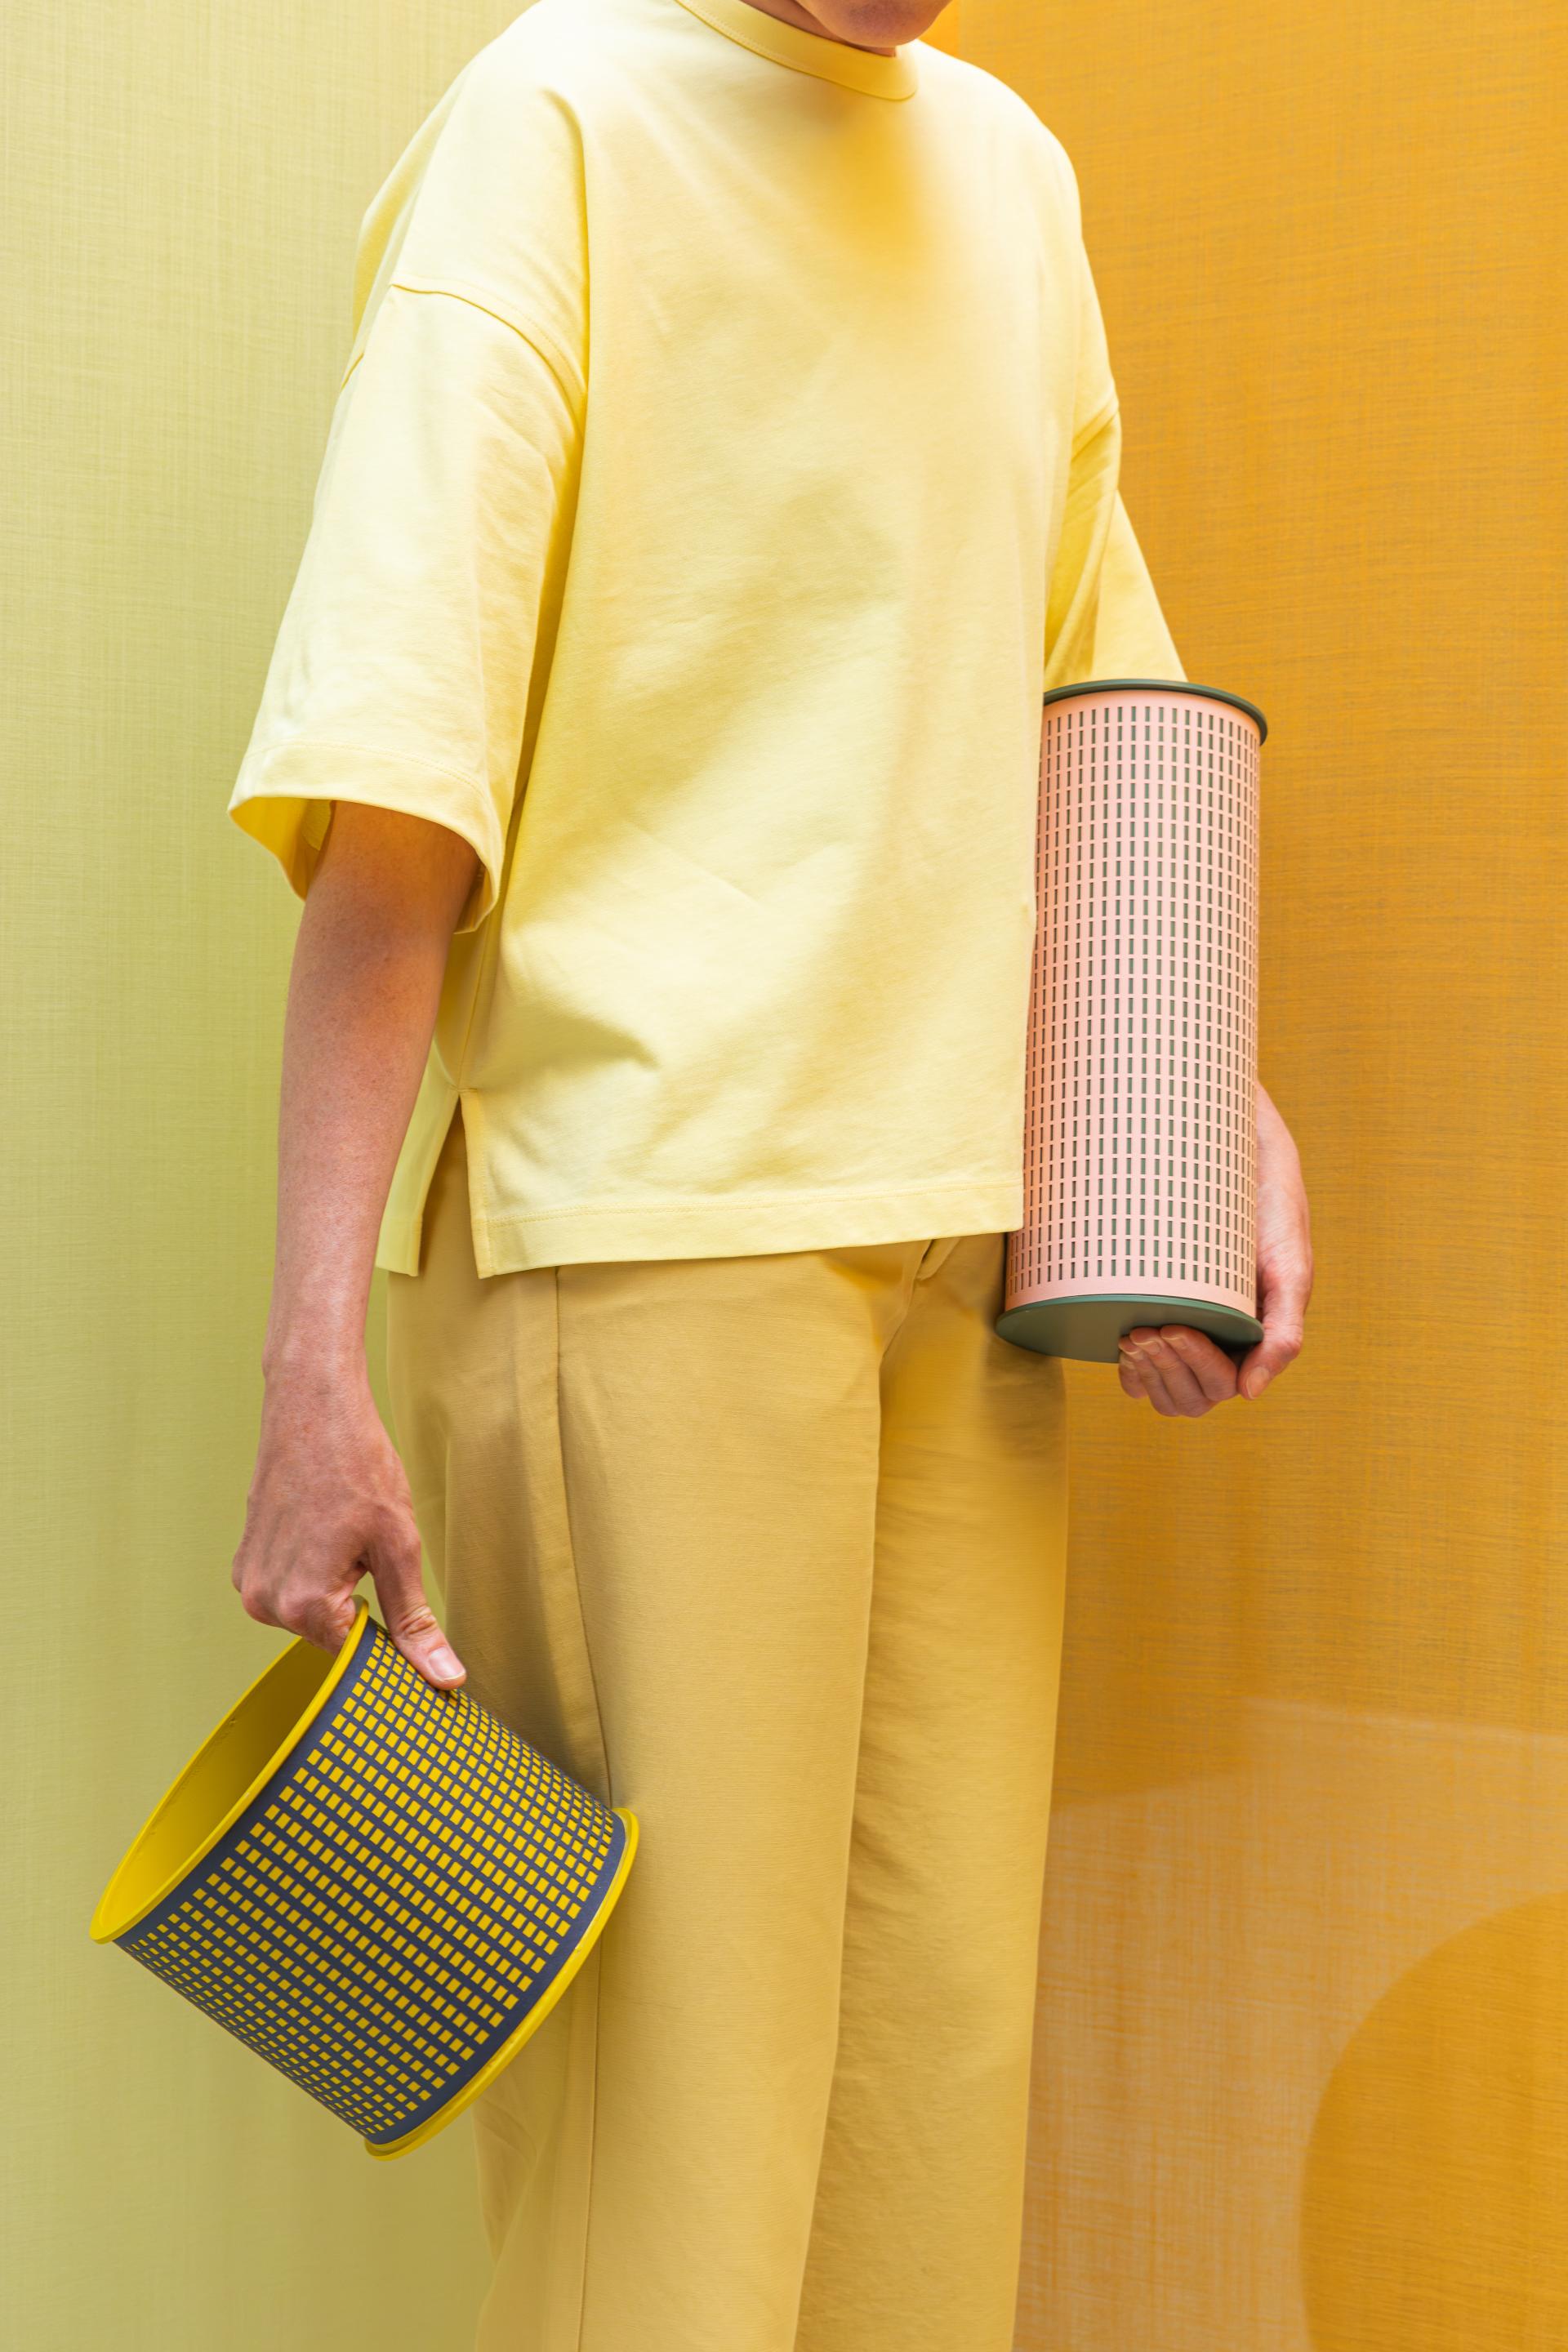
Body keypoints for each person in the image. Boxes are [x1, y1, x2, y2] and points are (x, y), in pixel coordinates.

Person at [227, 0, 1313, 2343]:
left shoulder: (1012, 174)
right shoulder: (557, 127)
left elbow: (1098, 717)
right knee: (674, 2194)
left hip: (959, 1283)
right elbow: (393, 811)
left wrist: (1210, 1089)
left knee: (931, 2138)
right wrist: (316, 1362)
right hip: (643, 1260)